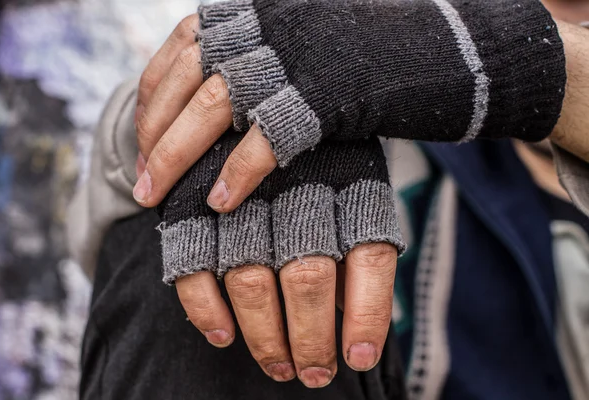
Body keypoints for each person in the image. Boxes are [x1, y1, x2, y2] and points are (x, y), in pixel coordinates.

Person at [69, 0, 589, 398]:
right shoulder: (392, 94)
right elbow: (136, 151)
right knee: (230, 242)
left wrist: (522, 58)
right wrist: (251, 109)